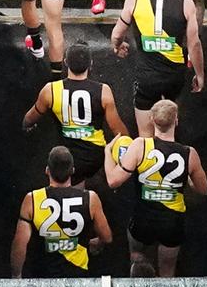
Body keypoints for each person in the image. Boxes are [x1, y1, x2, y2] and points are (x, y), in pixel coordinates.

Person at [105, 100, 207, 278]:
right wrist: (188, 179)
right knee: (168, 269)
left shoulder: (140, 146)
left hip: (143, 217)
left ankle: (136, 284)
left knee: (136, 258)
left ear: (151, 120)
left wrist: (108, 154)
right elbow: (203, 189)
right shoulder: (189, 154)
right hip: (172, 222)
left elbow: (113, 181)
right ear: (176, 120)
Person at [109, 0, 204, 138]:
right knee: (168, 129)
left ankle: (148, 162)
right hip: (174, 76)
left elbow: (117, 34)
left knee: (145, 135)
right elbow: (195, 44)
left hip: (146, 78)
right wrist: (200, 75)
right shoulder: (186, 3)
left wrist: (118, 46)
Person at [22, 41, 130, 186]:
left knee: (69, 177)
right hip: (95, 156)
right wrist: (130, 145)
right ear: (90, 64)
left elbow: (30, 117)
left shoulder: (51, 90)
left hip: (66, 155)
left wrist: (26, 125)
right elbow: (117, 129)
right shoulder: (103, 91)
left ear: (66, 63)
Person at [12, 146, 113, 278]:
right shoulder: (91, 199)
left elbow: (20, 243)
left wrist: (16, 275)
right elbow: (107, 237)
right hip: (78, 275)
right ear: (72, 170)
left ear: (47, 170)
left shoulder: (32, 199)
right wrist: (98, 243)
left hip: (42, 275)